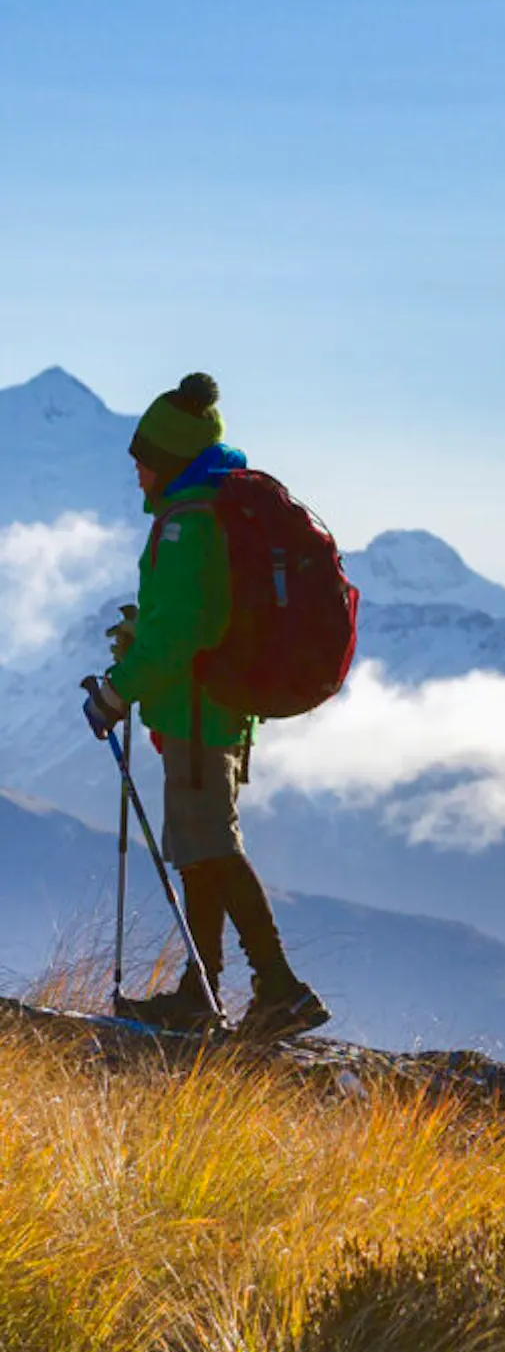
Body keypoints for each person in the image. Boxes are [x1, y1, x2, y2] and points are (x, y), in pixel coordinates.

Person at [83, 372, 329, 1041]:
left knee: (211, 847)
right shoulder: (203, 512)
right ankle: (203, 991)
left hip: (196, 708)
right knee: (199, 849)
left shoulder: (187, 525)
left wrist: (115, 689)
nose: (136, 471)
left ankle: (279, 988)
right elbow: (191, 617)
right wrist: (145, 631)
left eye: (144, 460)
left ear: (168, 461)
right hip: (206, 706)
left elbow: (181, 632)